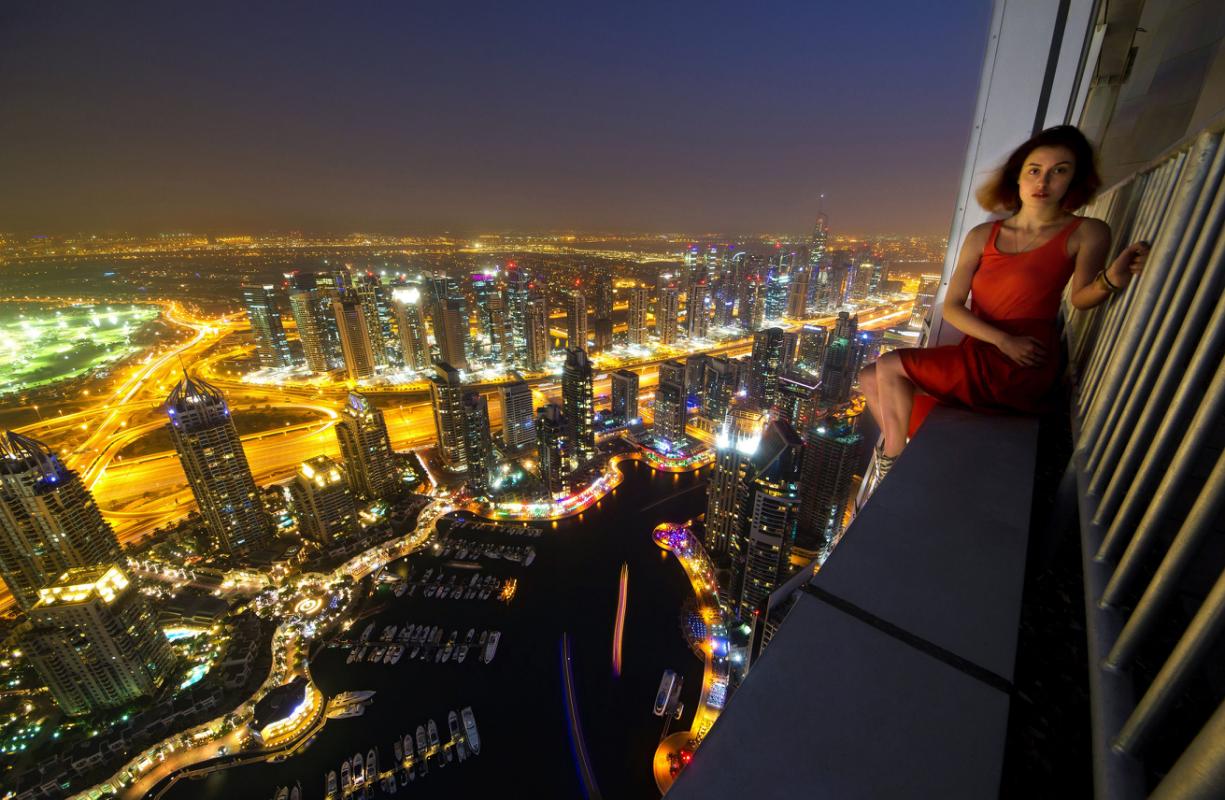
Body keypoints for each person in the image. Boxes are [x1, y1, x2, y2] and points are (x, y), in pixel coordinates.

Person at [859, 125, 1150, 484]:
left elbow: (1080, 298)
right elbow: (952, 307)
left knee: (889, 366)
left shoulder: (1087, 231)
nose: (1044, 181)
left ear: (1075, 178)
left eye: (1060, 170)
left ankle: (892, 466)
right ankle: (904, 447)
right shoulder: (984, 236)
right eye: (1034, 170)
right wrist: (1000, 339)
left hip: (1025, 359)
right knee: (867, 377)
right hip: (987, 347)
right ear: (1018, 177)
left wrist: (1112, 280)